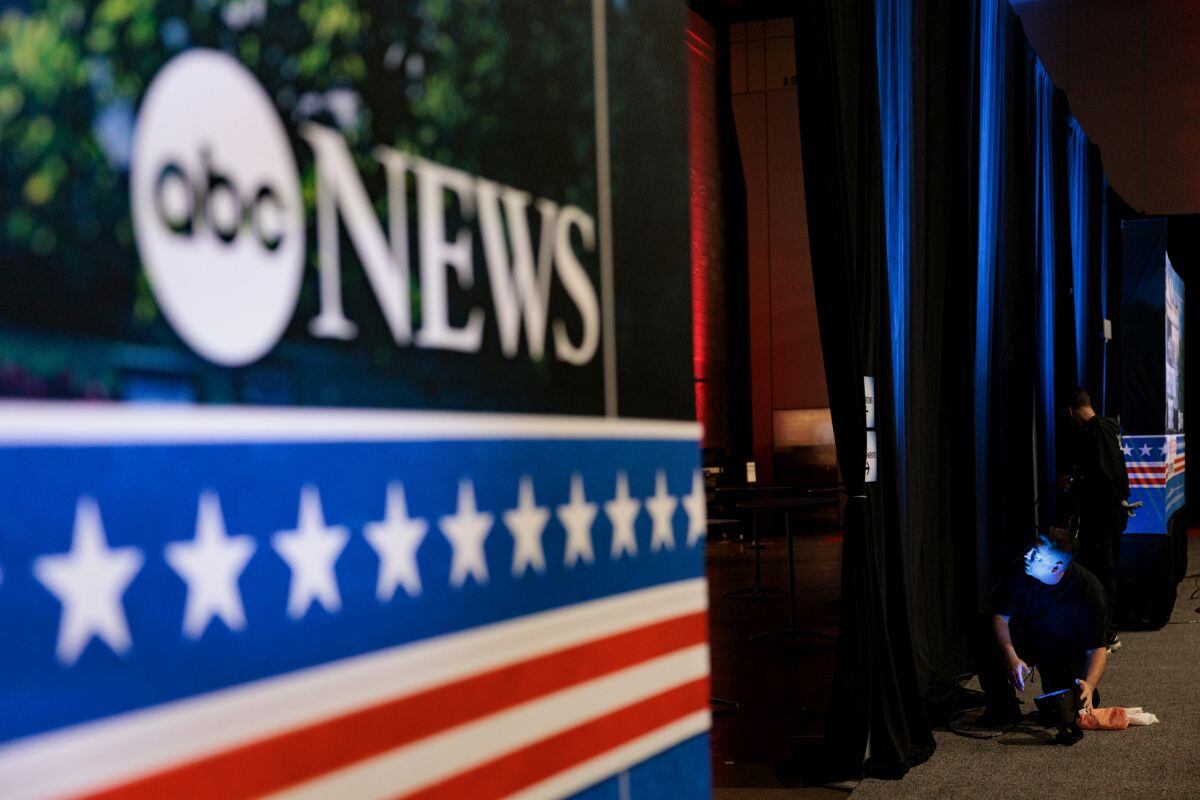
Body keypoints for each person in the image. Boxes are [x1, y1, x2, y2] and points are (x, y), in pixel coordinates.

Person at [975, 528, 1108, 727]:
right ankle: (1003, 707)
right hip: (1024, 639)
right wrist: (1011, 658)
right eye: (1031, 549)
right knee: (983, 633)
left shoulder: (1088, 589)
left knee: (1071, 710)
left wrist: (1090, 683)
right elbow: (1000, 618)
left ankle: (1067, 688)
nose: (1027, 555)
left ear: (1056, 567)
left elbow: (1097, 648)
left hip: (1063, 650)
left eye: (1037, 555)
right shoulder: (1019, 571)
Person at [1066, 387, 1130, 651]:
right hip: (1107, 517)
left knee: (1103, 574)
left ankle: (1106, 634)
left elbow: (1105, 478)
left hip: (1104, 519)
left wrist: (1077, 484)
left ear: (1071, 411)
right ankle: (1101, 631)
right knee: (1100, 572)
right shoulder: (1108, 428)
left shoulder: (1099, 432)